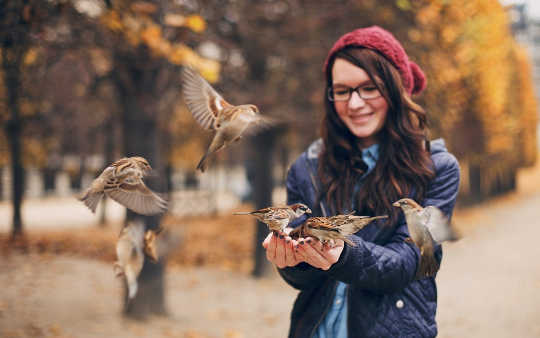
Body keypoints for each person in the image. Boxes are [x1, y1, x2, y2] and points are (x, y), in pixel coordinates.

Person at [262, 26, 460, 337]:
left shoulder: (437, 169)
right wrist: (292, 259)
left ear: (394, 90)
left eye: (369, 88)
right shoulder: (307, 168)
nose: (354, 104)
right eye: (342, 90)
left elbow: (406, 263)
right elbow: (305, 280)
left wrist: (343, 252)